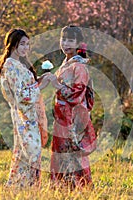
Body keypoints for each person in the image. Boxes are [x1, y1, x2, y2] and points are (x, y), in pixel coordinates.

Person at [0, 28, 49, 187]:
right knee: (30, 152)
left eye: (28, 44)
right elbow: (21, 96)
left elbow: (26, 87)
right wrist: (41, 86)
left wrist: (39, 80)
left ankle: (22, 187)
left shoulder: (18, 64)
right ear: (13, 45)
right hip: (23, 115)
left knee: (27, 152)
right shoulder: (10, 66)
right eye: (23, 44)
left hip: (29, 115)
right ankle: (24, 187)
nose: (26, 47)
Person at [48, 25, 97, 189]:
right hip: (62, 116)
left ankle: (77, 188)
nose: (66, 43)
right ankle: (61, 188)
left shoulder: (80, 66)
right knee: (61, 152)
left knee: (73, 154)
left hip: (73, 118)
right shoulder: (67, 63)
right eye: (63, 39)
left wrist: (57, 85)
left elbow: (77, 95)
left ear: (78, 43)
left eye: (70, 40)